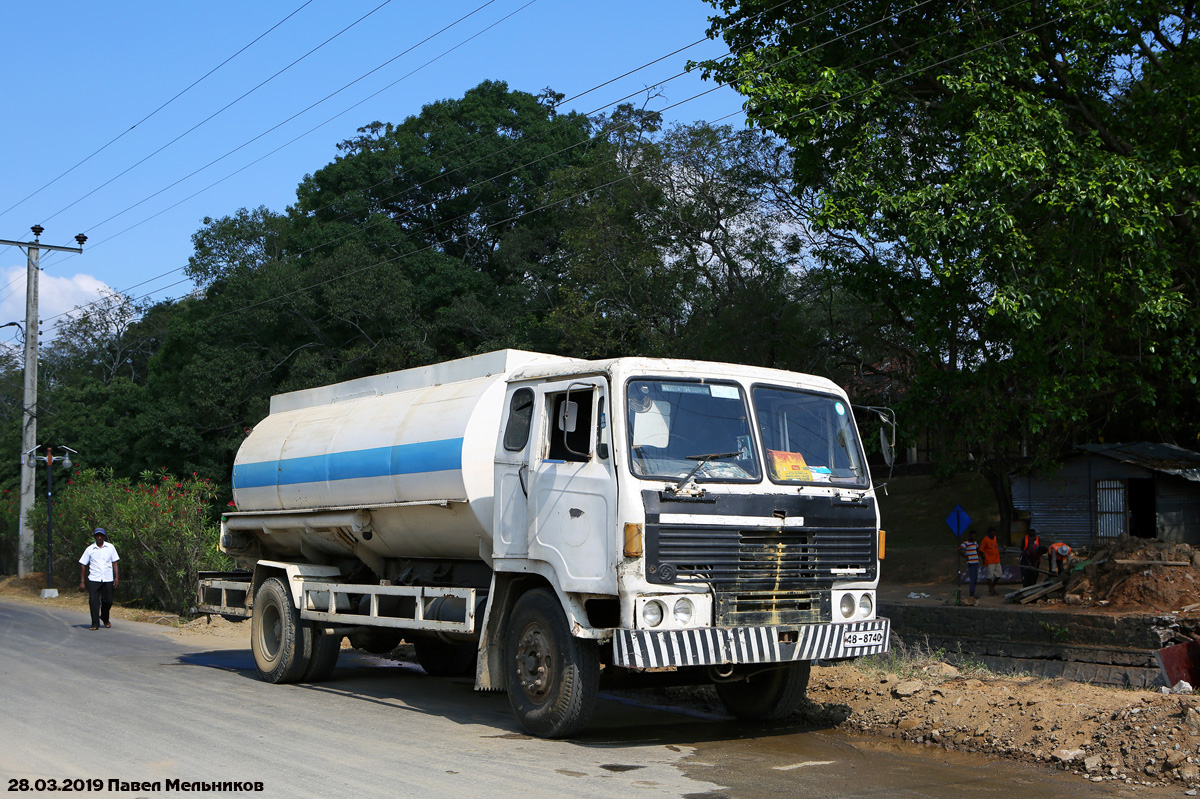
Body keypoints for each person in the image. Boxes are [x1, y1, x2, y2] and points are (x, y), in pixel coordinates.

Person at [78, 528, 119, 631]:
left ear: (104, 536)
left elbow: (115, 562)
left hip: (107, 578)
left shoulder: (110, 547)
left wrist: (117, 577)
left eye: (101, 535)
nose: (99, 537)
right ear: (95, 537)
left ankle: (104, 617)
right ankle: (95, 623)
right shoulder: (90, 549)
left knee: (108, 600)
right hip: (94, 579)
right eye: (97, 536)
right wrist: (82, 582)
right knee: (93, 602)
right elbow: (83, 565)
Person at [980, 526, 1003, 596]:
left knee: (999, 575)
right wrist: (983, 558)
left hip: (996, 559)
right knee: (990, 576)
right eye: (992, 533)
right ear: (989, 533)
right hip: (989, 560)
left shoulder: (995, 538)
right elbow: (980, 550)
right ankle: (991, 590)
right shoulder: (985, 539)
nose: (993, 534)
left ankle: (992, 588)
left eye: (994, 533)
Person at [959, 529, 980, 599]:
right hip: (971, 563)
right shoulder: (966, 543)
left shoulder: (975, 543)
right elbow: (959, 549)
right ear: (970, 536)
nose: (973, 537)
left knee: (975, 579)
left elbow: (977, 549)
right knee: (972, 579)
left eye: (975, 536)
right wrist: (965, 556)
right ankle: (971, 594)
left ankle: (973, 593)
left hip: (976, 562)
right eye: (972, 536)